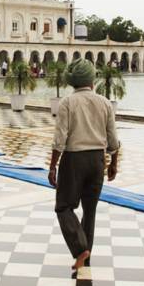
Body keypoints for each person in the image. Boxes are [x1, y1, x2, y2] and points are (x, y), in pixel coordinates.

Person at [48, 58, 120, 271]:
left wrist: (53, 166)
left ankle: (80, 249)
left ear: (73, 82)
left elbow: (60, 138)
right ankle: (85, 257)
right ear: (92, 80)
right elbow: (113, 140)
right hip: (97, 160)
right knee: (90, 210)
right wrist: (113, 163)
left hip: (74, 160)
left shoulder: (68, 103)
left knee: (63, 206)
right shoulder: (105, 102)